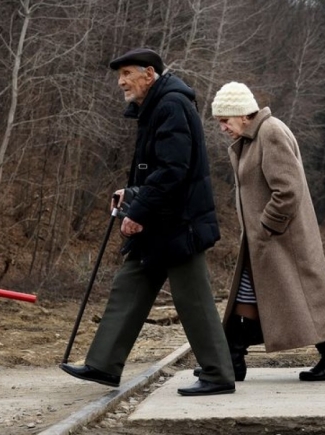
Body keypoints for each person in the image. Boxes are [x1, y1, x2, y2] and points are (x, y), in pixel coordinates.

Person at [60, 48, 236, 396]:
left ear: (149, 74)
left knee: (194, 300)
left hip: (178, 223)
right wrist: (132, 192)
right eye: (120, 74)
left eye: (127, 73)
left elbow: (174, 170)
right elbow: (161, 168)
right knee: (129, 285)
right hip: (163, 220)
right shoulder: (157, 106)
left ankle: (218, 375)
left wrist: (138, 212)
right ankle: (104, 365)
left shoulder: (170, 105)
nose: (121, 81)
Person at [210, 81, 325, 382]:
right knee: (254, 293)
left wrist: (265, 226)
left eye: (224, 120)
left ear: (243, 114)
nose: (221, 127)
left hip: (283, 239)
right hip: (267, 240)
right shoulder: (251, 137)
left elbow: (288, 189)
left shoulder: (270, 132)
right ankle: (233, 356)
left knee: (299, 296)